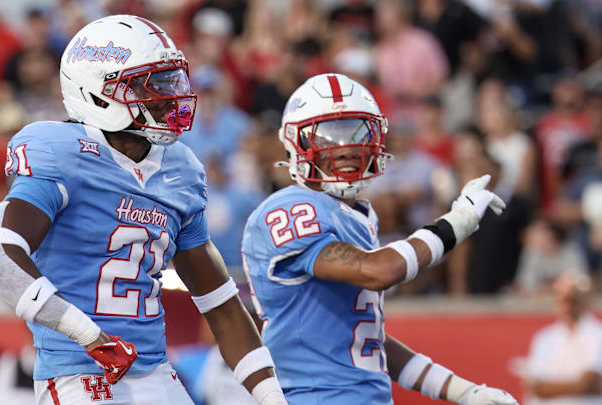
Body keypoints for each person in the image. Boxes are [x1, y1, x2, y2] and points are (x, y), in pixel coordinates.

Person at [0, 15, 287, 405]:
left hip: (156, 373)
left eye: (171, 80)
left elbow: (221, 303)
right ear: (98, 93)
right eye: (151, 84)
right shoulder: (61, 151)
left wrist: (274, 398)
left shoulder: (181, 169)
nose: (168, 95)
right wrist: (89, 337)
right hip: (80, 371)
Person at [241, 73, 517, 404]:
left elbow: (368, 344)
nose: (344, 148)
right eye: (327, 136)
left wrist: (462, 390)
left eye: (354, 131)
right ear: (295, 143)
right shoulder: (290, 209)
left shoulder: (359, 216)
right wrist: (456, 222)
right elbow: (378, 271)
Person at [526, 271, 602, 404]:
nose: (569, 306)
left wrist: (549, 387)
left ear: (586, 300)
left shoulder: (598, 334)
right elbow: (536, 387)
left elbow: (589, 382)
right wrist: (582, 386)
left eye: (573, 300)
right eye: (564, 299)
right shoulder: (545, 337)